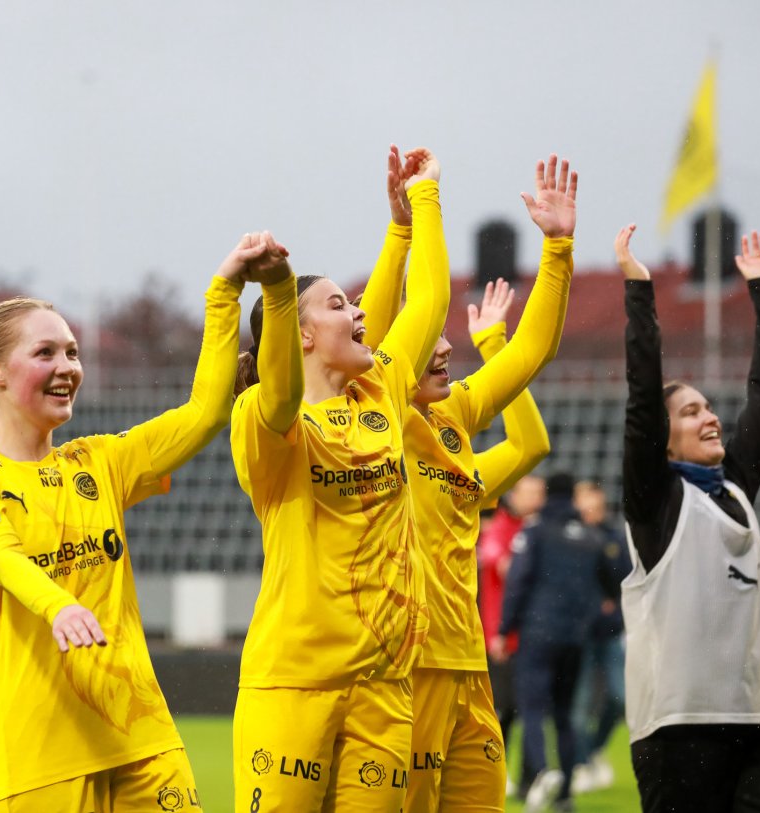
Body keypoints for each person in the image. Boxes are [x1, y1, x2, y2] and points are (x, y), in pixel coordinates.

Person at [0, 234, 281, 811]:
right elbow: (1, 555)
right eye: (45, 354)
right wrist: (57, 604)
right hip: (42, 763)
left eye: (72, 353)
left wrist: (226, 291)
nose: (67, 368)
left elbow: (205, 412)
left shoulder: (99, 462)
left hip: (145, 742)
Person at [230, 147, 449, 812]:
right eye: (337, 304)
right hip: (295, 683)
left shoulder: (379, 388)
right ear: (299, 336)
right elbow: (275, 387)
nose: (358, 312)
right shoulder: (266, 419)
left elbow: (430, 298)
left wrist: (422, 205)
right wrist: (274, 286)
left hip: (386, 685)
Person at [358, 150, 576, 813]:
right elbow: (399, 305)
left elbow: (532, 354)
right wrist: (412, 214)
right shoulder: (379, 417)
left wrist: (558, 251)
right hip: (408, 666)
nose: (446, 347)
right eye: (432, 343)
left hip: (469, 665)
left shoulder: (452, 418)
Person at [616, 224, 760, 812]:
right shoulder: (655, 502)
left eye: (710, 408)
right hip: (677, 731)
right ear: (664, 438)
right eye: (691, 411)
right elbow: (644, 399)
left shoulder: (734, 487)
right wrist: (639, 294)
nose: (711, 418)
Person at [495, 472, 617, 813]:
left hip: (538, 634)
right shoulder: (591, 537)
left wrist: (505, 630)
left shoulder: (535, 532)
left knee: (531, 707)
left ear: (548, 496)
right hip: (575, 639)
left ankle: (543, 771)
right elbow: (611, 581)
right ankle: (564, 794)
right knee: (563, 715)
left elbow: (518, 582)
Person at [478, 474, 546, 761]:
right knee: (500, 708)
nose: (535, 499)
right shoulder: (503, 527)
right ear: (514, 495)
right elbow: (505, 567)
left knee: (525, 710)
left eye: (539, 492)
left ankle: (524, 776)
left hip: (530, 634)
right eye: (529, 492)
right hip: (500, 634)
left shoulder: (536, 530)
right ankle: (492, 765)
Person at [570, 479, 630, 793]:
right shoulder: (569, 538)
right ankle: (581, 764)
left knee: (620, 698)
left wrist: (614, 612)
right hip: (578, 635)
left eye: (596, 504)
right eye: (586, 504)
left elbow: (626, 583)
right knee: (577, 707)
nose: (592, 510)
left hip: (608, 633)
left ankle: (592, 750)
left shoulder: (614, 539)